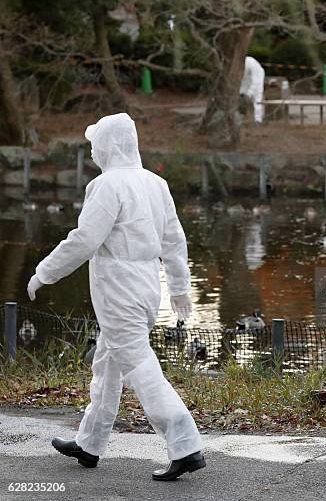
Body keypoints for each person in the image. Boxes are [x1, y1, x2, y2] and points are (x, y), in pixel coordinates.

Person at [27, 113, 204, 481]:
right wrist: (180, 287)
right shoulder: (156, 183)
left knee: (139, 364)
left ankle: (185, 443)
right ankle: (90, 443)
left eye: (95, 144)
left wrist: (45, 271)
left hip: (117, 288)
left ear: (109, 145)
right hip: (144, 285)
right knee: (108, 363)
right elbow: (174, 241)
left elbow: (84, 240)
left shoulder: (107, 186)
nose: (92, 152)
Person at [239, 56, 265, 123]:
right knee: (241, 94)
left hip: (257, 75)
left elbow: (256, 81)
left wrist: (249, 93)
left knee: (257, 98)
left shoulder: (251, 63)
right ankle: (240, 117)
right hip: (246, 77)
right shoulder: (238, 63)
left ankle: (258, 120)